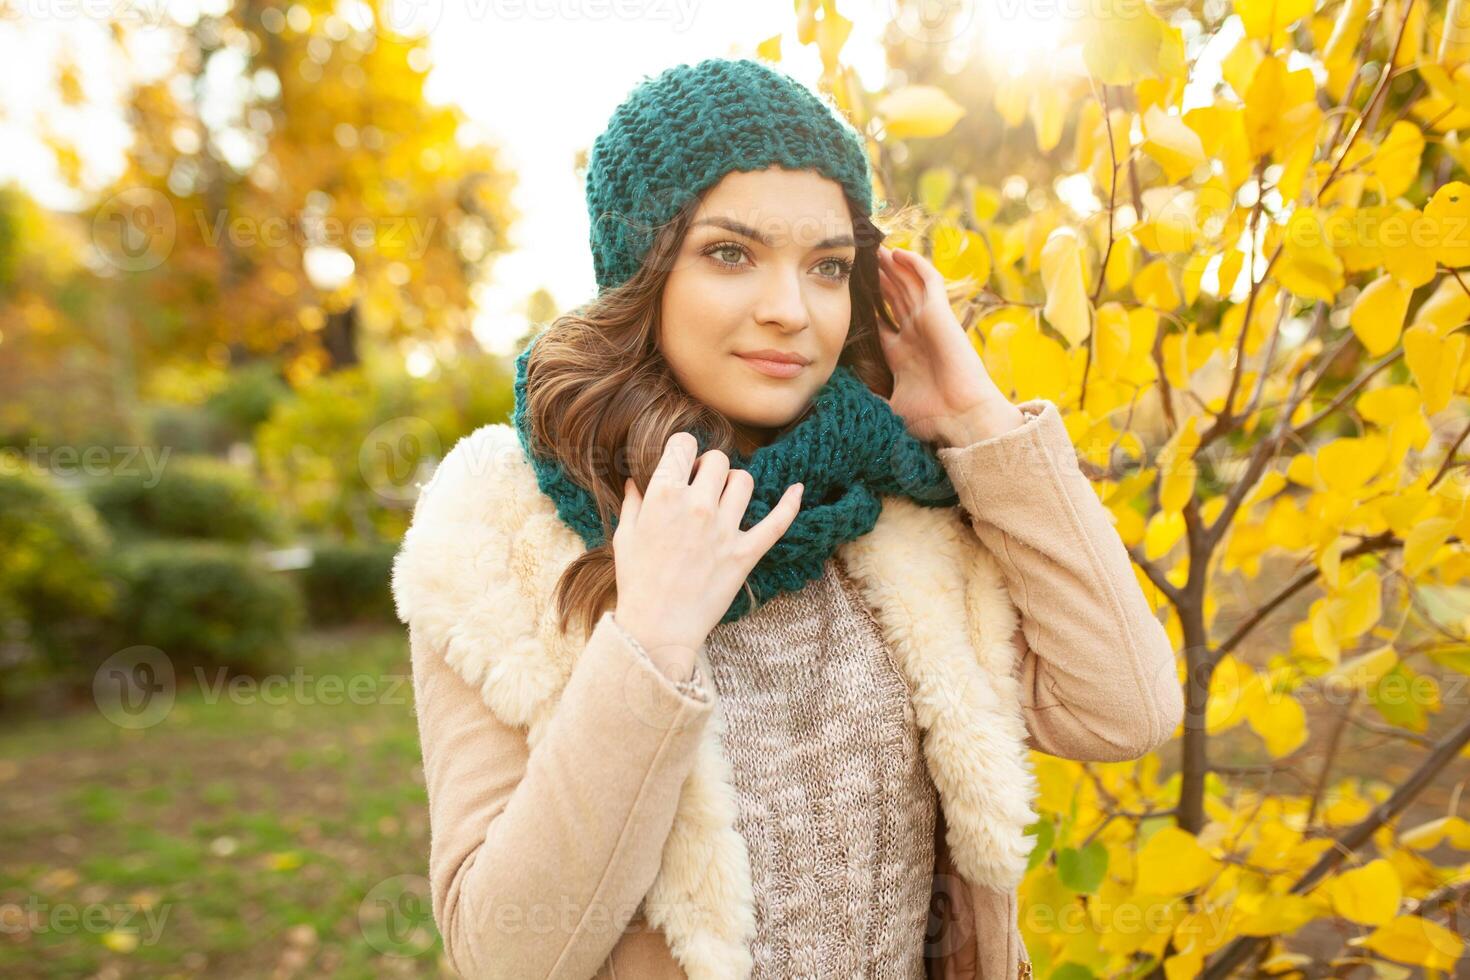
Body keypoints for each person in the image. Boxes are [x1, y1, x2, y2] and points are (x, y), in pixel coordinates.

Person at [392, 57, 1184, 980]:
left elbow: (1125, 709)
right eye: (730, 253)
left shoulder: (892, 498)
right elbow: (504, 952)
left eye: (827, 268)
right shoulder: (502, 523)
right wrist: (650, 639)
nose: (789, 311)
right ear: (642, 270)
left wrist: (977, 420)